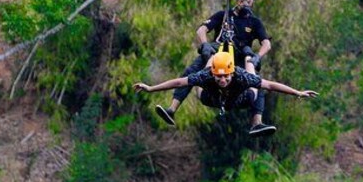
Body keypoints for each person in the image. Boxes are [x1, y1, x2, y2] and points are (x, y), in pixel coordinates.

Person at [155, 0, 272, 127]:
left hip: (240, 58)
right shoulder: (223, 15)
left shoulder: (255, 23)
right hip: (217, 53)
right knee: (191, 71)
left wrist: (257, 57)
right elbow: (201, 30)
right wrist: (205, 45)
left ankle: (257, 123)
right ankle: (172, 109)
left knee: (258, 83)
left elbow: (266, 44)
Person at [135, 52, 317, 137]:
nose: (222, 79)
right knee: (198, 80)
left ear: (231, 73)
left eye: (225, 76)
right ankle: (210, 58)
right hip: (212, 99)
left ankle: (256, 123)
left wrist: (297, 93)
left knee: (256, 84)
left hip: (240, 100)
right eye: (218, 76)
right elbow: (178, 82)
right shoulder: (208, 75)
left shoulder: (240, 76)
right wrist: (151, 88)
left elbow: (270, 84)